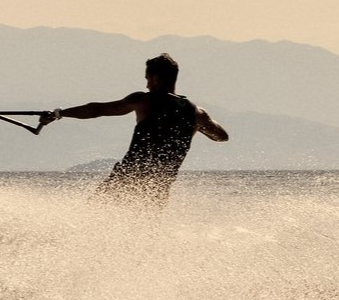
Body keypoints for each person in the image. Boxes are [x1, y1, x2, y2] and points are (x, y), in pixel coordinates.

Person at [39, 53, 228, 207]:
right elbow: (221, 137)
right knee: (142, 232)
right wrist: (197, 125)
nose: (146, 85)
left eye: (147, 79)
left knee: (93, 216)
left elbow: (97, 109)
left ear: (155, 78)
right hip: (158, 188)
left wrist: (59, 113)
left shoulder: (143, 100)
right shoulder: (196, 113)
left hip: (127, 178)